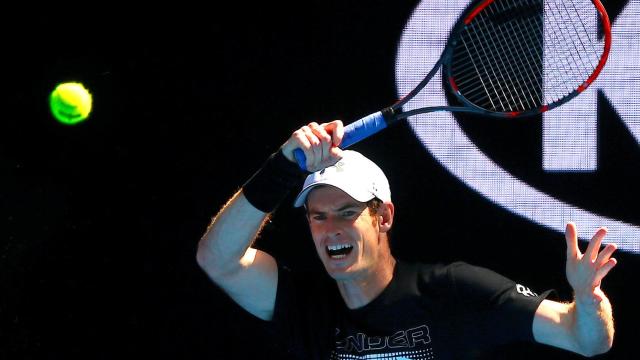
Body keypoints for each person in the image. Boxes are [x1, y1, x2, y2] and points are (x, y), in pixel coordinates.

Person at [197, 120, 617, 359]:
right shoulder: (304, 304)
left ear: (384, 218)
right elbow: (218, 260)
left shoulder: (453, 291)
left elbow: (584, 340)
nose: (331, 229)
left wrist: (588, 299)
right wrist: (281, 168)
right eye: (318, 217)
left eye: (347, 213)